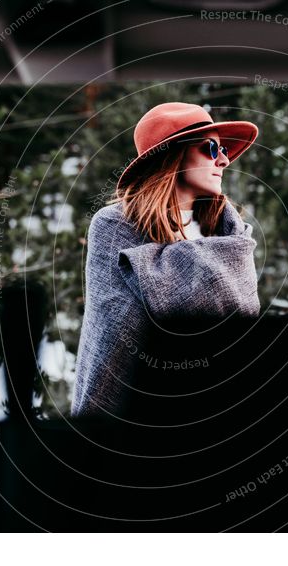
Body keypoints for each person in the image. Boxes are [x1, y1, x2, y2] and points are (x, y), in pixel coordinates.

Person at [71, 102, 261, 417]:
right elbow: (112, 337)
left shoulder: (231, 236)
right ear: (174, 154)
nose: (225, 160)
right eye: (211, 148)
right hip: (139, 414)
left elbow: (243, 331)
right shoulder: (115, 226)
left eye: (224, 149)